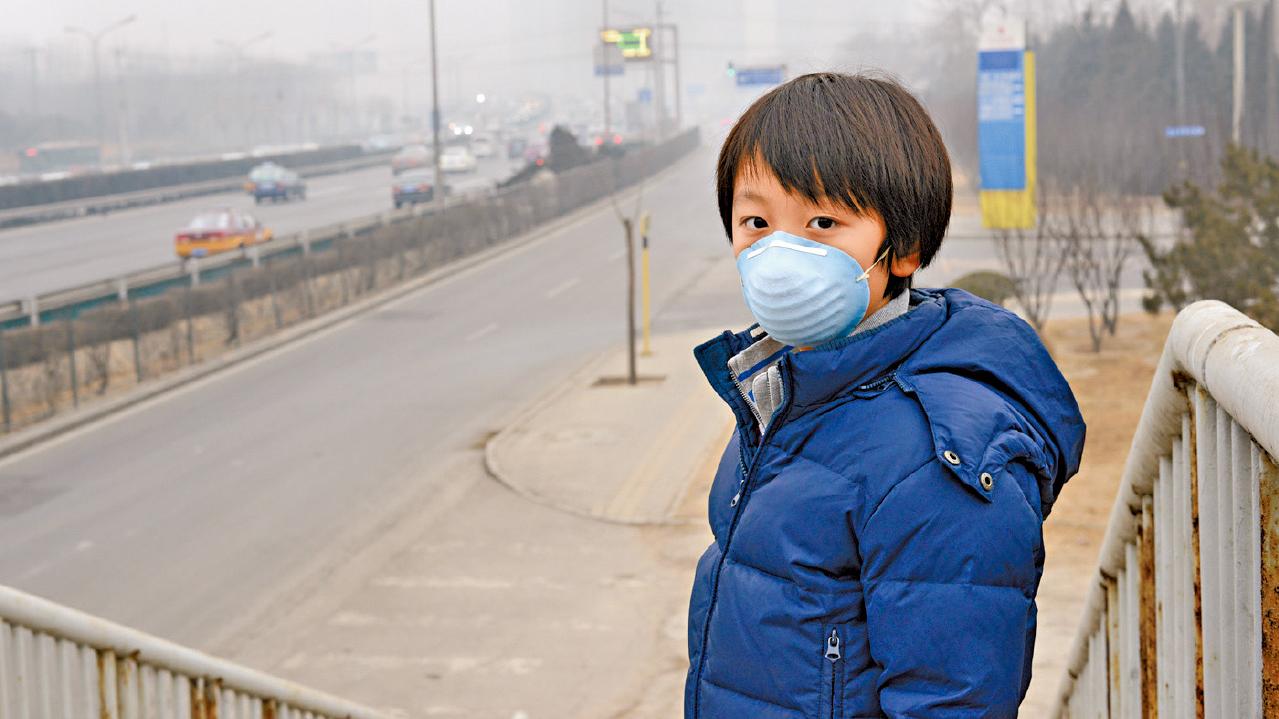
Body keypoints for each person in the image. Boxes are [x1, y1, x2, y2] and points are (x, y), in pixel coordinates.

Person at [684, 72, 1086, 718]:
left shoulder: (935, 459)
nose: (779, 254)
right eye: (756, 220)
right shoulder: (786, 394)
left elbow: (953, 699)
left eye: (822, 222)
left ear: (903, 248)